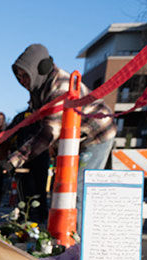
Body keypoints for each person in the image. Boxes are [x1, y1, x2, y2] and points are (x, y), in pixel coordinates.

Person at [7, 44, 116, 225]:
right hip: (73, 139)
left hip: (96, 135)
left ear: (41, 69)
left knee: (77, 188)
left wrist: (15, 160)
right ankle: (62, 235)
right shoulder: (39, 89)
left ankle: (75, 245)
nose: (22, 80)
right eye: (18, 76)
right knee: (62, 186)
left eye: (25, 75)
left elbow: (48, 134)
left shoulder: (60, 88)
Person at [9, 108, 50, 222]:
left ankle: (40, 215)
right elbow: (11, 133)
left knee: (39, 187)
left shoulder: (44, 115)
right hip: (24, 157)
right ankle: (25, 214)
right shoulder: (21, 117)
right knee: (24, 187)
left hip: (39, 155)